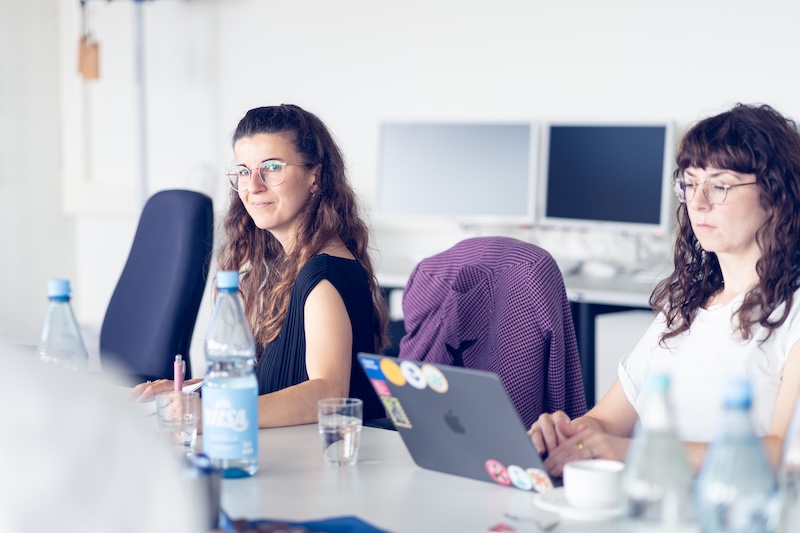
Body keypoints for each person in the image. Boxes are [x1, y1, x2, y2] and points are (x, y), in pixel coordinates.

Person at [529, 103, 800, 476]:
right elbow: (606, 421)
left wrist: (633, 452)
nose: (698, 202)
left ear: (775, 194)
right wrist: (566, 436)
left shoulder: (794, 312)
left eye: (719, 186)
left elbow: (782, 455)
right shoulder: (684, 307)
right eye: (689, 184)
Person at [135, 104, 388, 426]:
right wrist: (192, 390)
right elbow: (273, 381)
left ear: (315, 176)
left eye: (271, 167)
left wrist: (213, 414)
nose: (253, 185)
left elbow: (328, 392)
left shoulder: (323, 276)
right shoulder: (282, 269)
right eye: (243, 171)